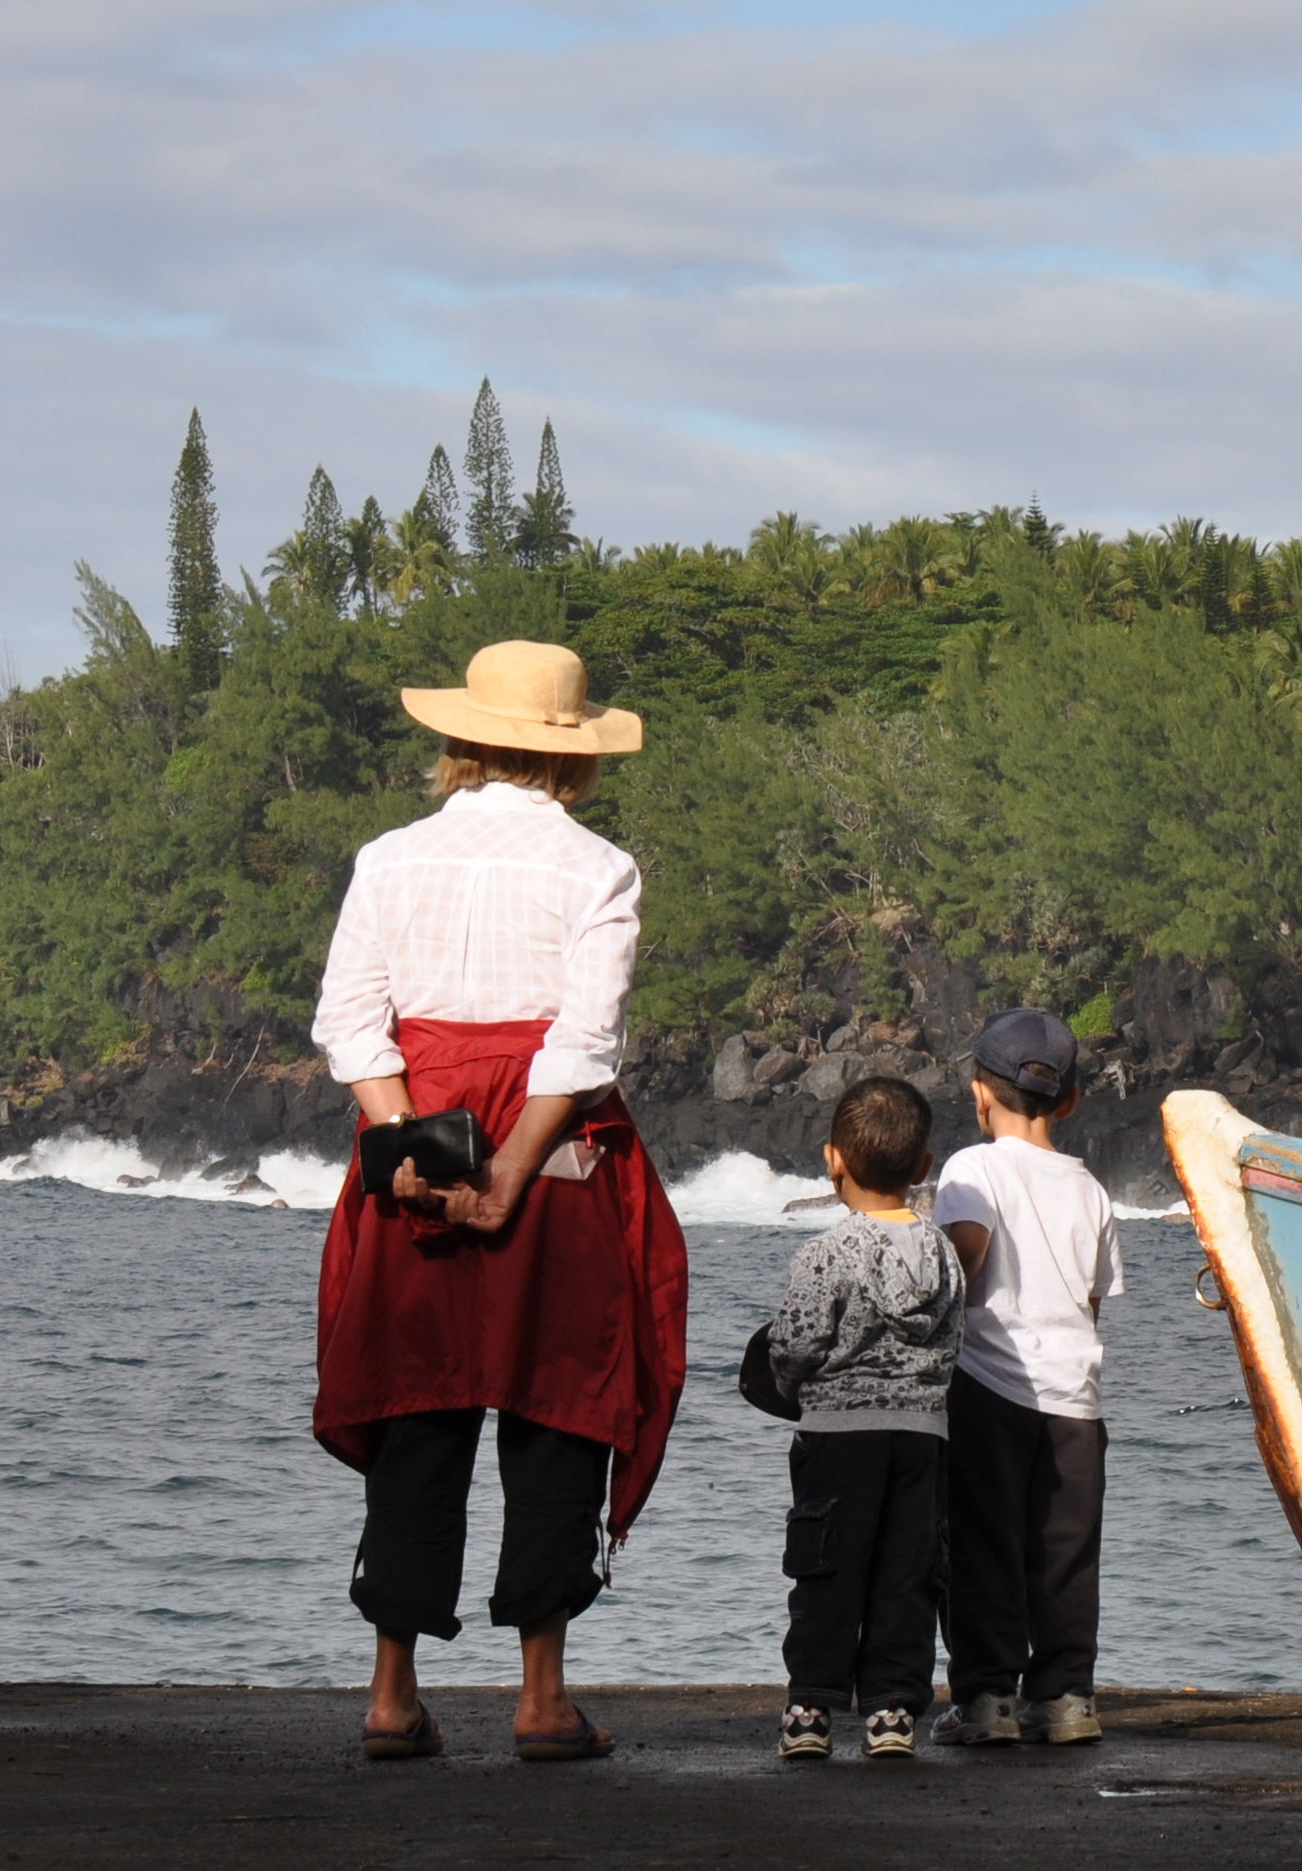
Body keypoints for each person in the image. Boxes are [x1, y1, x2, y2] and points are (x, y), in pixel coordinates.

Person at [308, 641, 689, 1767]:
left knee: (416, 1408)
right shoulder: (599, 869)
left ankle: (390, 1694)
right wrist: (514, 1171)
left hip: (417, 1138)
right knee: (555, 1409)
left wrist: (403, 1146)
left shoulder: (388, 858)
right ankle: (539, 1698)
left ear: (461, 740)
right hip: (548, 1149)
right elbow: (583, 1044)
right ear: (570, 759)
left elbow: (351, 1024)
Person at [756, 1076, 964, 1762]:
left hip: (838, 1436)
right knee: (908, 1574)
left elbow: (794, 1343)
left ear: (833, 1161)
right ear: (923, 1166)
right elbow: (952, 1343)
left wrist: (789, 1385)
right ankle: (891, 1715)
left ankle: (811, 1710)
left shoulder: (828, 1253)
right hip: (921, 1436)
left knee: (825, 1570)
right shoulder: (945, 1257)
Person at [930, 1007, 1120, 1746]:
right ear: (1069, 1100)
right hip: (1077, 1396)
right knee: (1066, 1550)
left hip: (988, 1382)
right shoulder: (1093, 1190)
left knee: (984, 1543)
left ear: (980, 1091)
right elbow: (1093, 1301)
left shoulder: (972, 1169)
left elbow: (965, 1259)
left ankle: (986, 1700)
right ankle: (1067, 1696)